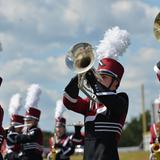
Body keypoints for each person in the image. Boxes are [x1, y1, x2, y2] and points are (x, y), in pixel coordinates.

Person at [63, 27, 130, 160]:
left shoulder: (121, 99)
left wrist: (94, 82)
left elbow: (111, 101)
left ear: (116, 83)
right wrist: (79, 75)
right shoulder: (90, 104)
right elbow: (69, 101)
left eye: (104, 77)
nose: (99, 79)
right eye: (98, 76)